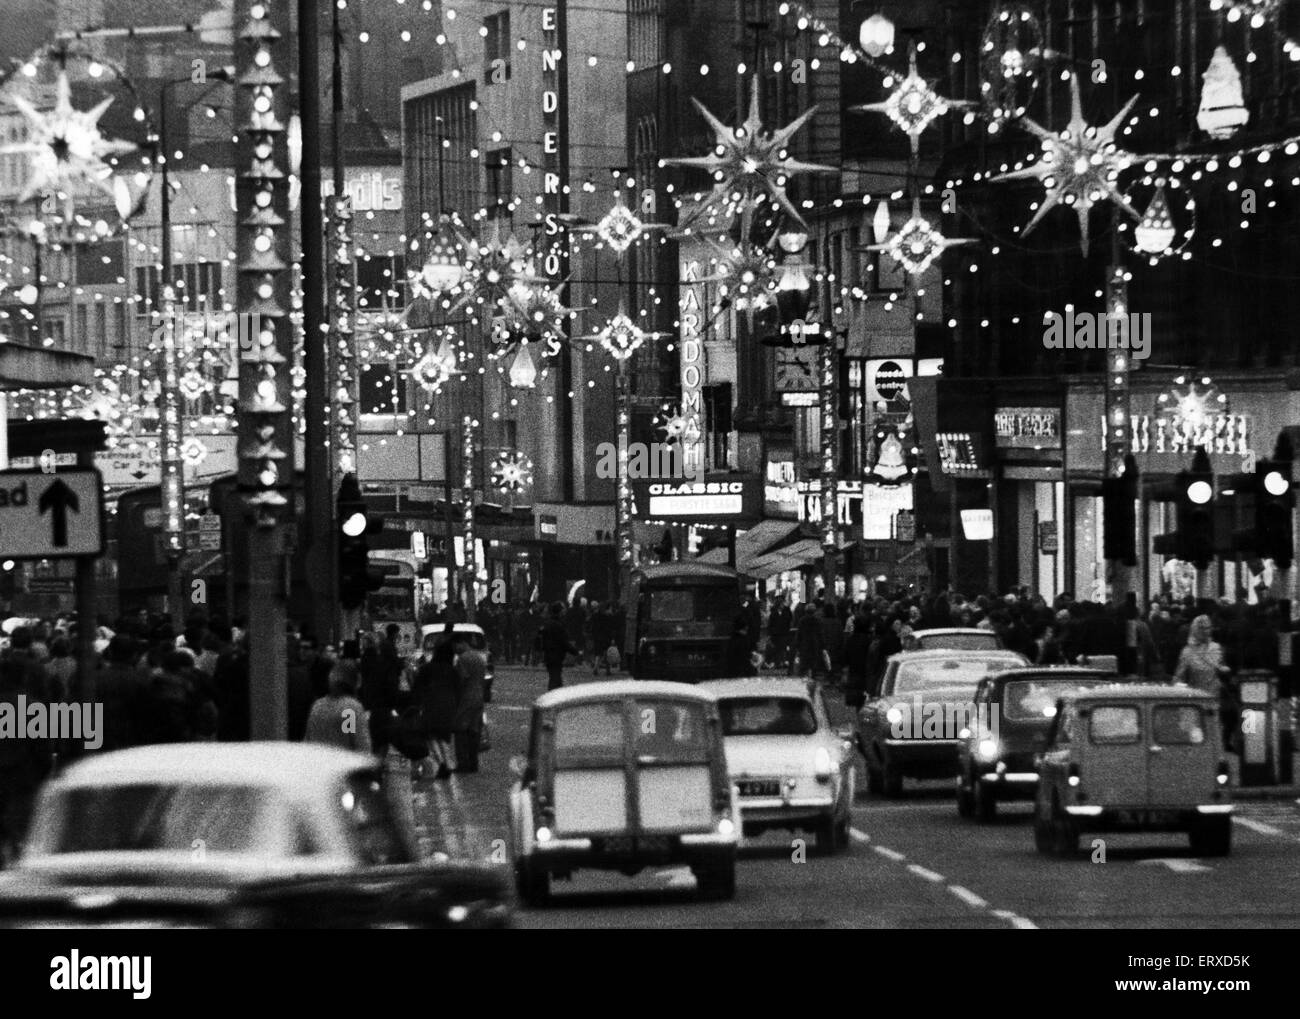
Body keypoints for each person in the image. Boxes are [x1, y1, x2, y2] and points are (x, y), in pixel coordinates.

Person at [414, 639, 460, 778]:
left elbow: (418, 687)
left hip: (432, 704)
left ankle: (441, 763)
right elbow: (458, 688)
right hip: (449, 705)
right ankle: (448, 762)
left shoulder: (428, 668)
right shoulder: (452, 670)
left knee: (430, 736)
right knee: (444, 737)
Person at [304, 660, 371, 753]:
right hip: (344, 764)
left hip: (320, 763)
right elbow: (360, 744)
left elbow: (308, 740)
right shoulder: (349, 708)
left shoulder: (318, 705)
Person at [452, 635, 488, 774]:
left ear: (461, 643)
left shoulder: (463, 658)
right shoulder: (479, 657)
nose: (455, 650)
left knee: (461, 731)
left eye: (455, 646)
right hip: (478, 697)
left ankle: (463, 763)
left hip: (466, 698)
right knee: (474, 731)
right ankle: (474, 762)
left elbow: (461, 679)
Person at [539, 601, 577, 691]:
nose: (565, 610)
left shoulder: (548, 623)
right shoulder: (559, 625)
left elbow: (542, 638)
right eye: (563, 609)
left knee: (555, 678)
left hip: (549, 654)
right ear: (560, 611)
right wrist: (574, 651)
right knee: (555, 680)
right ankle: (551, 699)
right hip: (556, 655)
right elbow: (563, 642)